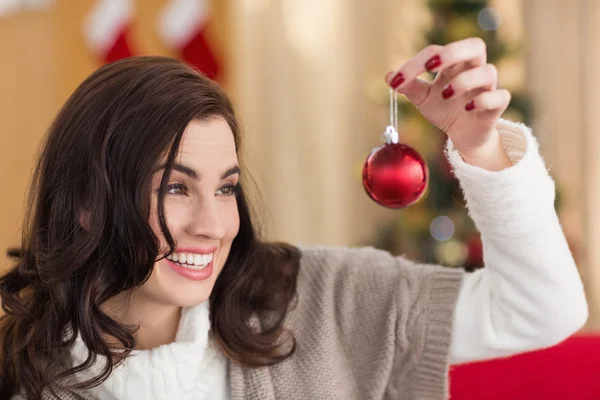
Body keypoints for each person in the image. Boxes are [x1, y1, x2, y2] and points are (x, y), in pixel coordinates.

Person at [0, 37, 587, 400]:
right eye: (176, 187)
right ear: (85, 204)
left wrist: (481, 150)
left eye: (226, 187)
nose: (214, 224)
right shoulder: (22, 375)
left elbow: (542, 309)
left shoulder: (321, 301)